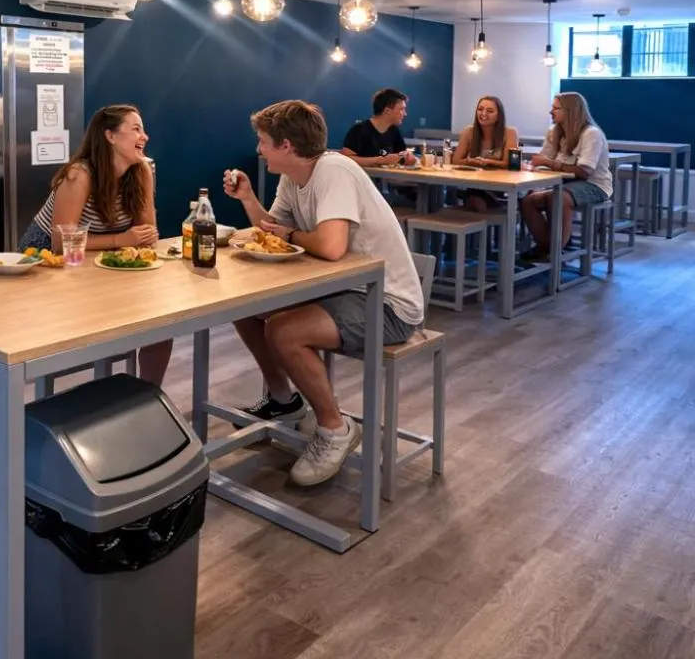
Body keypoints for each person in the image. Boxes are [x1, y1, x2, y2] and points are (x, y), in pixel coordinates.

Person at [222, 100, 425, 486]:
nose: (258, 150)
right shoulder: (293, 175)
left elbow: (331, 247)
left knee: (284, 330)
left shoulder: (333, 170)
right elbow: (272, 228)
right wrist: (248, 199)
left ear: (286, 145)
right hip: (344, 290)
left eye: (263, 142)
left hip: (387, 304)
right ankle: (284, 402)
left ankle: (335, 429)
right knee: (247, 308)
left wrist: (292, 235)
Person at [21, 105, 171, 384]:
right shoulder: (80, 175)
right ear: (110, 136)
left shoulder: (141, 171)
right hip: (47, 261)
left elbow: (148, 235)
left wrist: (137, 240)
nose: (145, 136)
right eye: (136, 129)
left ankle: (150, 395)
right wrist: (121, 240)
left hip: (100, 262)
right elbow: (60, 241)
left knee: (161, 322)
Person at [521, 91, 611, 263]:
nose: (551, 112)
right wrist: (533, 167)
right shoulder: (554, 132)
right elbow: (543, 160)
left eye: (556, 108)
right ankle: (546, 246)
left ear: (570, 111)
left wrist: (551, 164)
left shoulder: (591, 133)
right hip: (562, 184)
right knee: (528, 200)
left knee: (559, 197)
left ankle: (555, 252)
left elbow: (584, 172)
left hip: (594, 185)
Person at [453, 95, 519, 211]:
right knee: (474, 201)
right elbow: (456, 160)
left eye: (490, 111)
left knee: (479, 204)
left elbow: (510, 163)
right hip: (476, 186)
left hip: (502, 187)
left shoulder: (510, 133)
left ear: (499, 115)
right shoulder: (469, 132)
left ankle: (497, 224)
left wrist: (486, 161)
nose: (483, 114)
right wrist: (471, 161)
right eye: (480, 109)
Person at [340, 88, 417, 168]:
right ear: (387, 111)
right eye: (402, 109)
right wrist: (381, 160)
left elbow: (401, 154)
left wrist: (408, 157)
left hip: (386, 179)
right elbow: (346, 159)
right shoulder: (359, 130)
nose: (405, 114)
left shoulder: (394, 130)